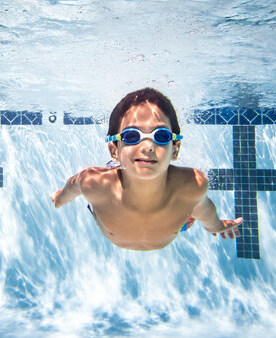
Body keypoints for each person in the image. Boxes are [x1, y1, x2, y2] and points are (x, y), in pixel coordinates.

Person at [50, 88, 243, 251]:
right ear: (114, 150)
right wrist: (60, 199)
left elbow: (204, 209)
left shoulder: (192, 185)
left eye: (160, 135)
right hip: (112, 207)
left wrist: (216, 226)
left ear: (175, 149)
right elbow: (73, 186)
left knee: (190, 204)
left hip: (176, 217)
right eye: (132, 136)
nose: (148, 146)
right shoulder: (94, 184)